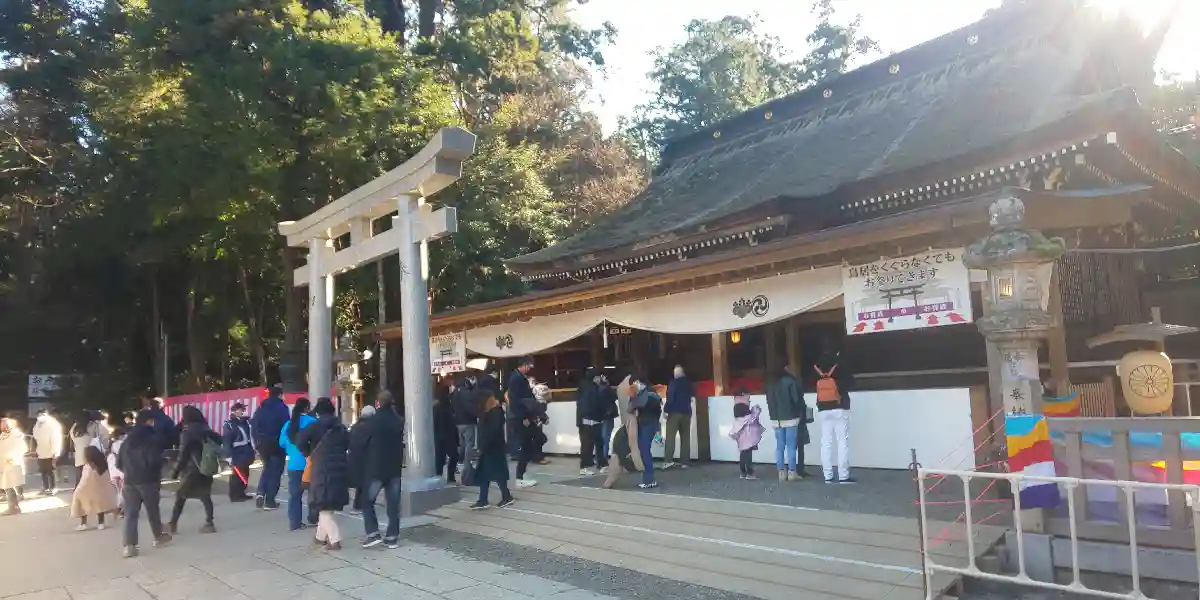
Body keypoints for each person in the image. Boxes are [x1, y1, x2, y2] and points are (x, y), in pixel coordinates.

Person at [353, 391, 405, 548]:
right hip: (394, 467)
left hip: (376, 468)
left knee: (367, 501)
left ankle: (373, 533)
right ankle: (392, 537)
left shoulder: (372, 422)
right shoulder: (399, 421)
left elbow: (361, 445)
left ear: (378, 403)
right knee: (393, 505)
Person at [296, 398, 350, 551]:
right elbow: (348, 444)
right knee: (327, 503)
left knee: (322, 504)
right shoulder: (341, 428)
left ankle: (334, 540)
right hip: (339, 466)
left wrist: (309, 453)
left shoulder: (314, 426)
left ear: (318, 412)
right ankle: (320, 537)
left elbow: (300, 441)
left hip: (321, 468)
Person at [117, 410, 172, 557]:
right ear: (149, 421)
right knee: (153, 510)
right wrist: (163, 462)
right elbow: (154, 460)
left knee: (130, 514)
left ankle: (129, 546)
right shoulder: (151, 439)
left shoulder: (127, 441)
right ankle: (158, 537)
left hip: (129, 481)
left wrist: (129, 471)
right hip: (148, 480)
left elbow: (118, 463)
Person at [169, 405, 221, 534]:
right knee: (205, 495)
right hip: (207, 466)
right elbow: (219, 441)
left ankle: (172, 524)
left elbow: (183, 456)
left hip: (192, 470)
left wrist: (175, 472)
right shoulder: (206, 429)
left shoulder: (187, 433)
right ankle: (209, 523)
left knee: (180, 496)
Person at [814, 346, 854, 484]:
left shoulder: (816, 368)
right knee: (842, 442)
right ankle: (843, 475)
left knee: (826, 442)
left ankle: (828, 475)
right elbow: (851, 382)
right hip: (840, 407)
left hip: (823, 408)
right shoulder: (839, 366)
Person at [469, 388, 515, 510]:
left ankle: (505, 496)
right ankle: (484, 499)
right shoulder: (490, 412)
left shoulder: (494, 413)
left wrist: (483, 445)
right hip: (490, 447)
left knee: (496, 473)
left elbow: (492, 432)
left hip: (493, 448)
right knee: (486, 474)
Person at [765, 360, 809, 481]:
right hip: (791, 418)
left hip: (776, 419)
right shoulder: (790, 381)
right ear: (786, 367)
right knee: (791, 446)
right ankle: (791, 472)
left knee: (779, 447)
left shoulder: (770, 383)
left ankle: (781, 472)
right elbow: (796, 399)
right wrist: (800, 412)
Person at [279, 397, 316, 531]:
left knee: (295, 495)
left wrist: (291, 449)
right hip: (311, 463)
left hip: (294, 464)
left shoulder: (288, 424)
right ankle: (313, 518)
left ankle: (295, 523)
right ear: (307, 408)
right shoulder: (313, 422)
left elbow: (281, 443)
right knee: (313, 492)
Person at [252, 384, 290, 510]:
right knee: (275, 472)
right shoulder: (282, 408)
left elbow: (254, 426)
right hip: (277, 444)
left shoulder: (261, 408)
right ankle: (270, 501)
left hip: (262, 444)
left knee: (267, 468)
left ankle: (260, 492)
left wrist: (257, 443)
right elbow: (286, 426)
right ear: (280, 395)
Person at [506, 356, 541, 488]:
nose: (529, 369)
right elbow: (515, 401)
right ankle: (519, 477)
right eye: (529, 366)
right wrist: (523, 417)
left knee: (529, 444)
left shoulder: (520, 377)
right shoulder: (516, 379)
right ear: (524, 365)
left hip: (525, 415)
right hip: (521, 417)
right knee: (526, 446)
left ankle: (522, 473)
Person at [71, 445, 119, 530]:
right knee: (99, 503)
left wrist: (77, 489)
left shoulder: (88, 467)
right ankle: (101, 523)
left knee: (80, 500)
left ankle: (83, 523)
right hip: (100, 491)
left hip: (87, 490)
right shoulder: (103, 466)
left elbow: (84, 480)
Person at [628, 373, 663, 490]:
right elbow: (658, 411)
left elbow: (631, 408)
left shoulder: (644, 395)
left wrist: (633, 397)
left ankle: (649, 480)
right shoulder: (653, 394)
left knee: (644, 451)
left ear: (639, 382)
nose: (633, 385)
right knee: (645, 451)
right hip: (651, 424)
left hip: (645, 425)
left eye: (634, 383)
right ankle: (649, 479)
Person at [576, 368, 608, 476]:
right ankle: (588, 466)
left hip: (586, 419)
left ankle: (592, 465)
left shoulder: (585, 386)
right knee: (593, 444)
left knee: (589, 444)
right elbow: (597, 403)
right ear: (596, 377)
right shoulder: (592, 388)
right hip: (591, 419)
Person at [663, 365, 695, 470]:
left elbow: (670, 397)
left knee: (670, 437)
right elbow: (692, 394)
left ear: (677, 373)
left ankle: (668, 461)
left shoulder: (674, 383)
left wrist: (666, 410)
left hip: (674, 412)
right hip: (687, 411)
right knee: (685, 437)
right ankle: (685, 462)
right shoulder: (689, 383)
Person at [221, 402, 255, 502]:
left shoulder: (246, 423)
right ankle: (234, 495)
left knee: (245, 473)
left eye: (243, 409)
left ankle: (241, 493)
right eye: (241, 409)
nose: (243, 411)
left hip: (247, 452)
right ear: (234, 411)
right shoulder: (229, 424)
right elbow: (227, 440)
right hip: (237, 452)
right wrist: (228, 455)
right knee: (237, 475)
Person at [346, 404, 375, 514]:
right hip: (367, 458)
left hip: (354, 458)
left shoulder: (355, 427)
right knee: (367, 483)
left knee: (361, 484)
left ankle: (358, 505)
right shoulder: (372, 427)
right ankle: (362, 505)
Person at [728, 394, 765, 480]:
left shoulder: (737, 420)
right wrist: (756, 409)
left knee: (742, 455)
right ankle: (750, 473)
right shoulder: (748, 418)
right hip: (749, 440)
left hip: (742, 442)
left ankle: (743, 473)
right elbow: (754, 415)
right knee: (748, 457)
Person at [71, 411, 110, 486]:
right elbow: (105, 438)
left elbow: (74, 440)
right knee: (92, 484)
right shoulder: (95, 426)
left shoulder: (74, 428)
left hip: (79, 459)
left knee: (80, 483)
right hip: (91, 459)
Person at [451, 374, 479, 477]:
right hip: (468, 421)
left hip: (458, 421)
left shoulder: (454, 393)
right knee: (469, 444)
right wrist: (476, 415)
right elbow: (470, 407)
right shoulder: (467, 393)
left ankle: (459, 461)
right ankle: (467, 464)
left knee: (461, 443)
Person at [32, 409, 64, 495]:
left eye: (42, 414)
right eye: (39, 415)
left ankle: (53, 487)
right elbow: (35, 436)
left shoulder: (53, 424)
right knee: (43, 471)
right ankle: (45, 487)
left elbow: (56, 438)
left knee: (51, 471)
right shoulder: (37, 424)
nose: (40, 417)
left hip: (51, 451)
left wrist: (55, 451)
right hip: (41, 451)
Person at [433, 386, 459, 484]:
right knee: (451, 456)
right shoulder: (448, 406)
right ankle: (449, 476)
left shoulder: (438, 407)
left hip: (441, 436)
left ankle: (440, 475)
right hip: (448, 435)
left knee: (441, 458)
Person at [0, 418, 26, 516]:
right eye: (2, 426)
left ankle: (13, 508)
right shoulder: (3, 436)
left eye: (5, 425)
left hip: (12, 465)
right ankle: (13, 507)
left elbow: (23, 448)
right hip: (5, 465)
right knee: (8, 487)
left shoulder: (16, 435)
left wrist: (12, 458)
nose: (4, 428)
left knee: (10, 487)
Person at [107, 427, 127, 516]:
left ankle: (118, 508)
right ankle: (122, 509)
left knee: (117, 490)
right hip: (123, 471)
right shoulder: (123, 444)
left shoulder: (111, 445)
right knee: (124, 490)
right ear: (121, 436)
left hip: (113, 472)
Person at [598, 373, 618, 459]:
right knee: (606, 437)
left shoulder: (597, 390)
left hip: (600, 417)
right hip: (608, 416)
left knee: (601, 437)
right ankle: (604, 456)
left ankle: (600, 456)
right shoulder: (608, 390)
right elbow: (615, 396)